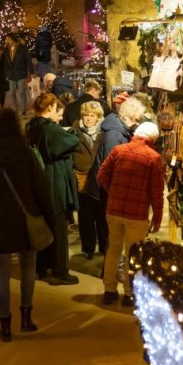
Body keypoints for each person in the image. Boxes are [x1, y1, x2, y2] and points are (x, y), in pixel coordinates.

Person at [0, 108, 55, 341]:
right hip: (25, 219)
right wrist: (50, 219)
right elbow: (42, 190)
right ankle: (26, 318)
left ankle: (5, 324)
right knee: (28, 268)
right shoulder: (26, 154)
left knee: (2, 273)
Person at [96, 122, 164, 306]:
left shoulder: (119, 150)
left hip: (114, 209)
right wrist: (157, 216)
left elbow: (101, 175)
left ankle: (109, 290)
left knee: (113, 249)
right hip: (136, 213)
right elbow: (156, 191)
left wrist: (114, 192)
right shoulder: (153, 157)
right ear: (153, 139)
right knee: (132, 254)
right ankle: (129, 293)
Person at [26, 93, 81, 285]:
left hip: (39, 180)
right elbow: (72, 142)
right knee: (58, 228)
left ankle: (42, 267)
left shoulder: (31, 126)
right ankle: (60, 270)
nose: (60, 117)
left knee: (44, 226)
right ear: (50, 108)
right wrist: (72, 132)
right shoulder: (49, 128)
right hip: (54, 181)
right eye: (59, 112)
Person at [71, 101, 108, 259]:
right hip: (83, 178)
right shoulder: (75, 131)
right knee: (85, 216)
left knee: (102, 215)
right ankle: (88, 248)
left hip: (100, 179)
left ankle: (104, 246)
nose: (88, 118)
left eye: (92, 115)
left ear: (98, 117)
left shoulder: (105, 132)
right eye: (85, 115)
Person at [3, 32, 33, 115]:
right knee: (12, 93)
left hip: (21, 73)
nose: (7, 40)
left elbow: (28, 60)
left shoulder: (22, 48)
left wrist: (32, 72)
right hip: (11, 74)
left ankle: (23, 110)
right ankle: (15, 110)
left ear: (12, 39)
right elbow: (5, 63)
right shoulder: (6, 49)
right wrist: (6, 74)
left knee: (21, 92)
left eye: (8, 39)